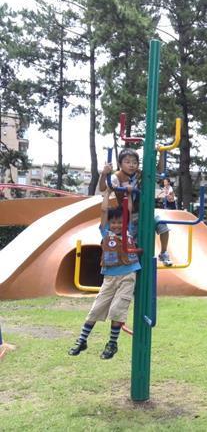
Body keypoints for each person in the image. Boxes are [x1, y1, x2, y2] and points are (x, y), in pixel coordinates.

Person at [68, 186, 141, 359]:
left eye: (120, 222)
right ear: (108, 224)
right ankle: (82, 340)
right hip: (109, 277)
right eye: (113, 222)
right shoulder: (105, 232)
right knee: (96, 309)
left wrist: (128, 194)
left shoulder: (128, 231)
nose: (117, 225)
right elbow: (103, 211)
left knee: (117, 309)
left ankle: (112, 344)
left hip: (128, 275)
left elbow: (128, 210)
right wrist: (107, 194)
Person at [99, 148, 173, 266]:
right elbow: (103, 188)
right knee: (132, 240)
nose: (131, 165)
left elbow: (158, 172)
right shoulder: (117, 176)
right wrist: (104, 174)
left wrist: (161, 154)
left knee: (162, 225)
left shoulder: (139, 174)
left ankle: (163, 252)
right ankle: (130, 263)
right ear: (120, 164)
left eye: (134, 162)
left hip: (145, 211)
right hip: (128, 214)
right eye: (127, 162)